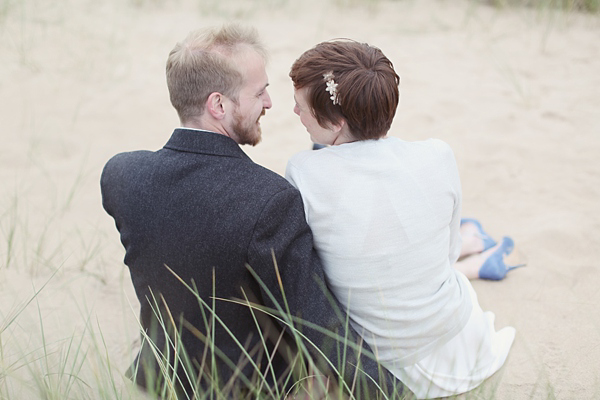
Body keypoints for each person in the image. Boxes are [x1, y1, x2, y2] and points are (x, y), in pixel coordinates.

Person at [100, 25, 405, 398]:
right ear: (219, 105)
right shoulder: (269, 199)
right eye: (259, 92)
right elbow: (319, 325)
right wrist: (394, 392)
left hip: (161, 376)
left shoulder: (121, 176)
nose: (269, 103)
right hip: (246, 387)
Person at [285, 39, 517, 398]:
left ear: (336, 122)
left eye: (301, 106)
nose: (295, 112)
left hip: (384, 365)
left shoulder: (303, 171)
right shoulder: (438, 155)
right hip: (459, 345)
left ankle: (477, 250)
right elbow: (444, 256)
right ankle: (477, 248)